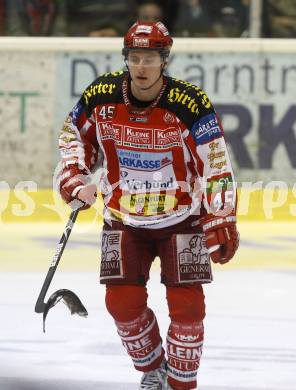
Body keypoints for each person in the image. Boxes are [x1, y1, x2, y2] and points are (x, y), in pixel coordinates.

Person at [57, 21, 239, 390]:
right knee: (122, 305)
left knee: (188, 309)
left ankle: (181, 384)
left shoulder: (190, 103)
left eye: (151, 58)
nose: (142, 66)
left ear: (164, 60)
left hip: (183, 218)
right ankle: (154, 369)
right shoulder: (101, 94)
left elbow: (216, 162)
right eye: (135, 57)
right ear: (127, 59)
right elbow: (73, 135)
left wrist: (220, 216)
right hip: (123, 218)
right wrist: (75, 177)